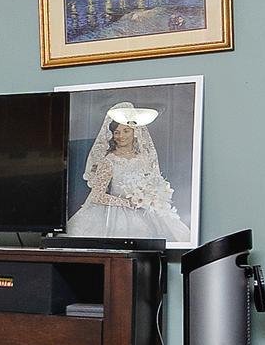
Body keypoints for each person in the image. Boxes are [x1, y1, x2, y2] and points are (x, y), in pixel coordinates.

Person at [65, 102, 190, 242]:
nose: (120, 136)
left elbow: (154, 183)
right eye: (116, 132)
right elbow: (96, 196)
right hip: (112, 216)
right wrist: (127, 202)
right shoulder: (109, 161)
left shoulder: (144, 159)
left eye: (126, 131)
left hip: (144, 211)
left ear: (135, 132)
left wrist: (151, 197)